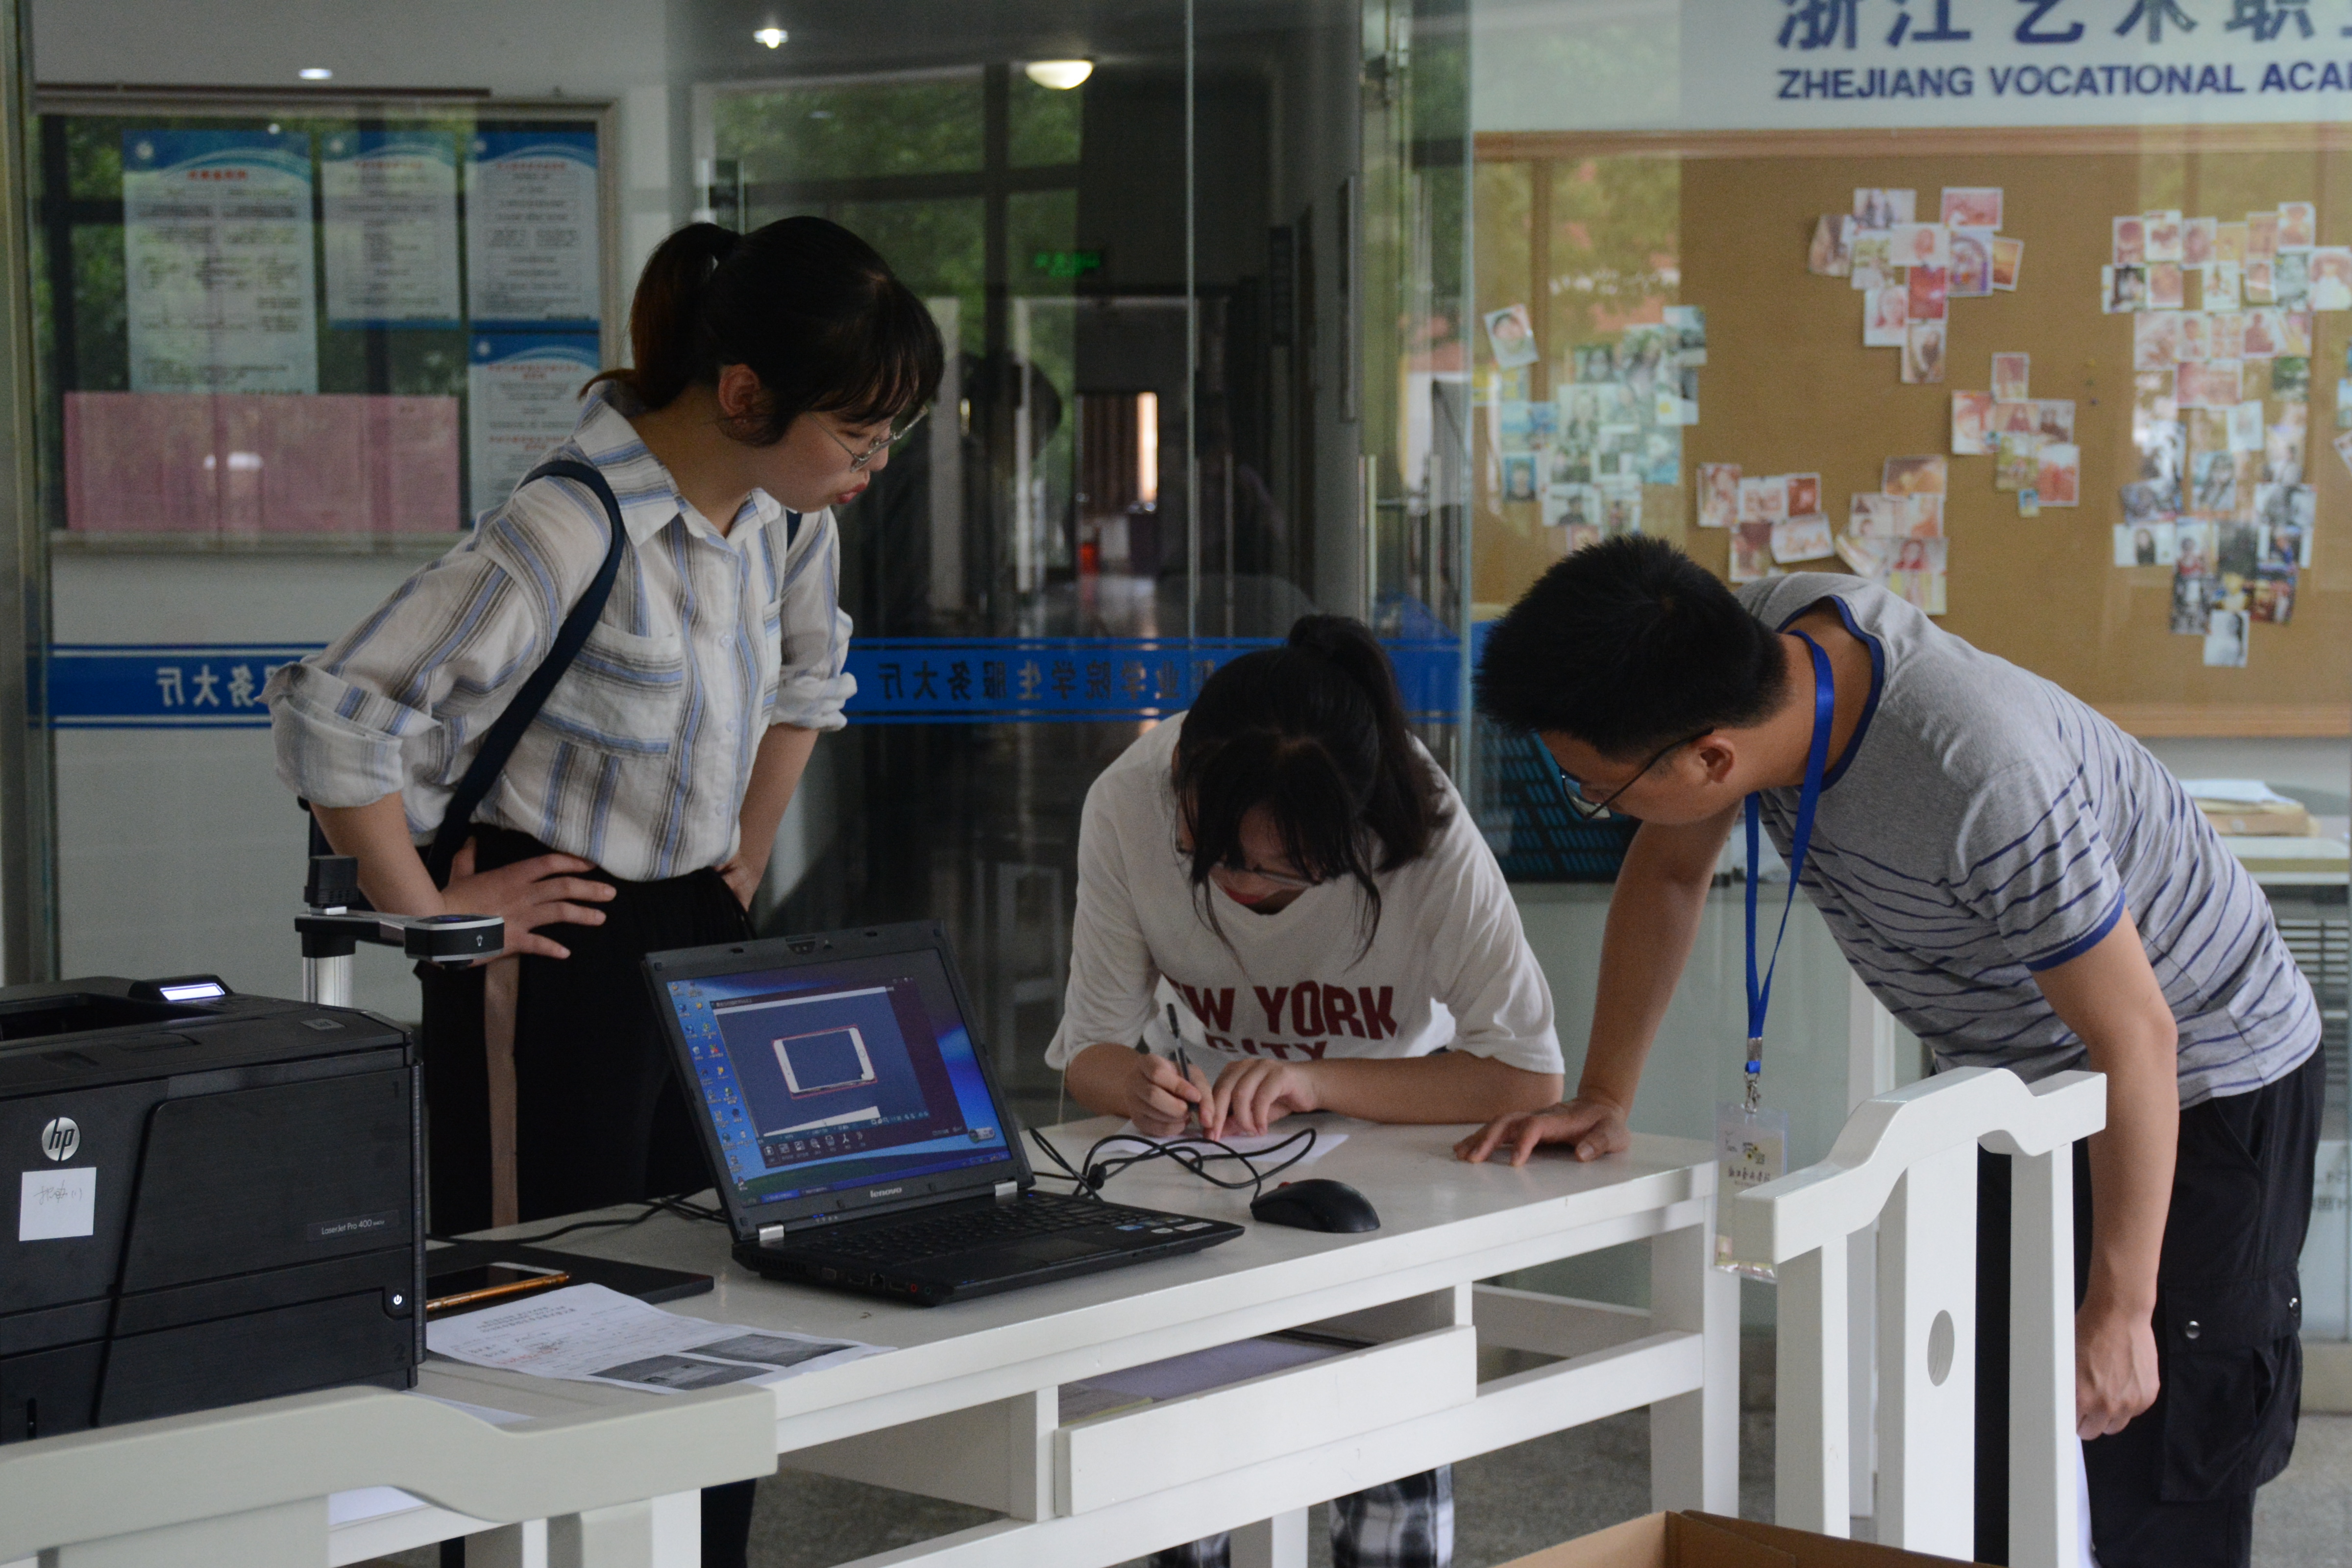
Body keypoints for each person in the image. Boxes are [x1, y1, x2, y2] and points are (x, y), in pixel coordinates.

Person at [268, 215, 942, 1568]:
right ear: (744, 394)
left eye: (888, 442)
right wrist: (436, 918)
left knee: (722, 1290)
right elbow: (334, 712)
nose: (872, 470)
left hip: (699, 930)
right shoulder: (572, 522)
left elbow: (810, 683)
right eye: (859, 437)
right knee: (542, 1309)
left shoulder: (781, 519)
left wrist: (742, 853)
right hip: (554, 946)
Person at [1457, 539, 2320, 1568]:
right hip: (2020, 1083)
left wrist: (2125, 1307)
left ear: (1711, 761)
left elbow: (2137, 1036)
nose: (1601, 809)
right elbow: (1670, 874)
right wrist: (1605, 1090)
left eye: (1599, 790)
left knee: (2143, 1444)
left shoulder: (1977, 777)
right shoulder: (1746, 647)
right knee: (2005, 1444)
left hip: (2195, 1078)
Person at [1049, 614, 1565, 1568]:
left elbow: (1525, 1071)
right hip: (1207, 1157)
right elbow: (1089, 1054)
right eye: (1215, 854)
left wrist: (1315, 1079)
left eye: (1284, 869)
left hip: (1392, 1160)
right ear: (1182, 780)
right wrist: (1137, 1084)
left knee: (1386, 1408)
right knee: (1182, 1422)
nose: (1243, 887)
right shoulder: (1127, 800)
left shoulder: (1424, 826)